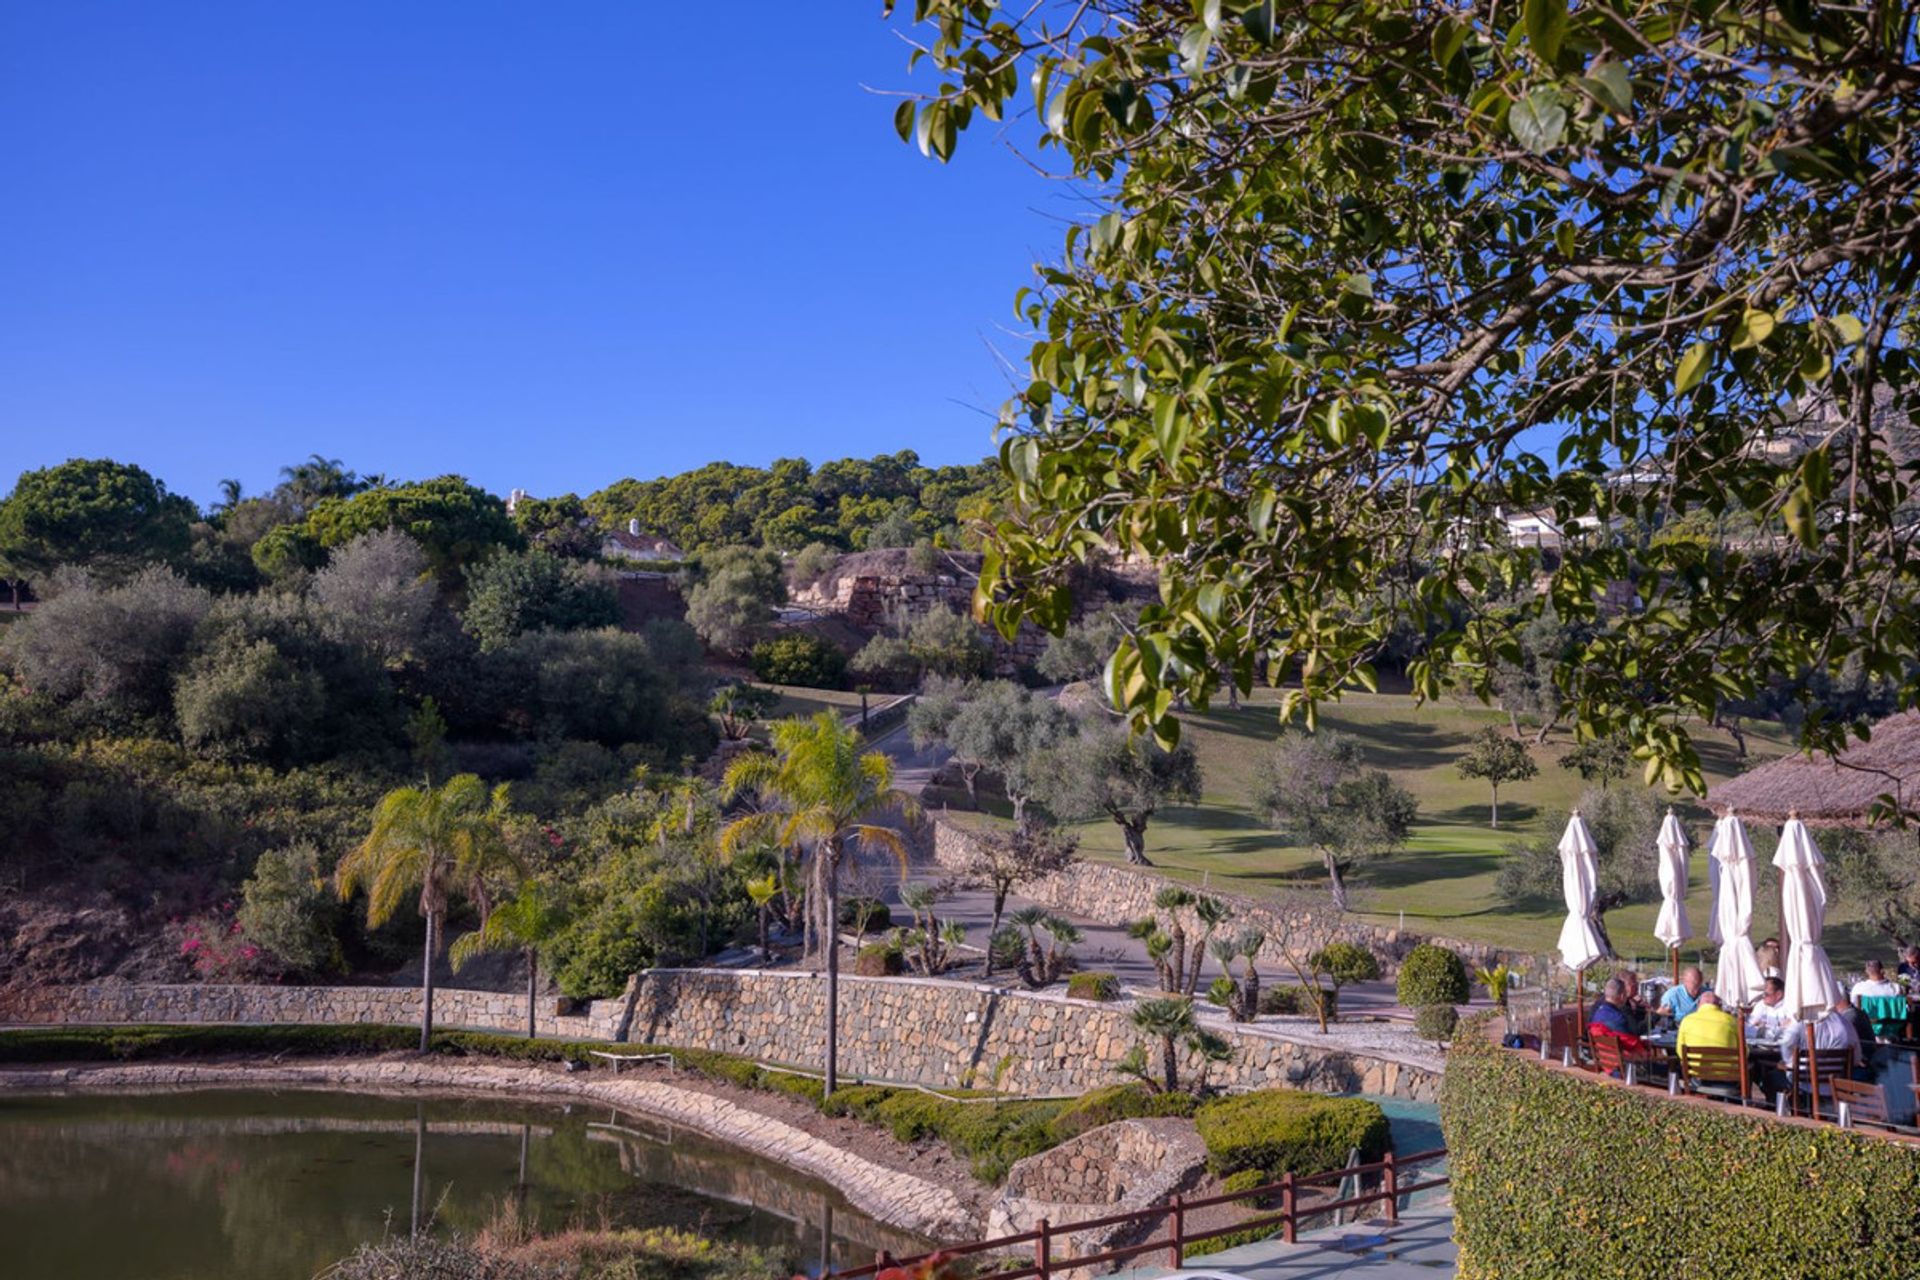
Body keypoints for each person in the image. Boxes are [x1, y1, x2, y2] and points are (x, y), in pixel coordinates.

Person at [1778, 998, 1863, 1074]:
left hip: (1803, 1081)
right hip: (1838, 1085)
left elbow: (1787, 1044)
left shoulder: (1801, 1022)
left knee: (1773, 1076)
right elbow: (1856, 1059)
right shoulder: (1845, 1024)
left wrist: (1789, 1062)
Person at [1589, 977, 1646, 1052]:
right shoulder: (1619, 1019)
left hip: (1603, 1058)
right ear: (1622, 996)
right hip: (1626, 1060)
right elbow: (1632, 1041)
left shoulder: (1597, 1013)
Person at [1675, 991, 1740, 1056]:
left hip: (1694, 1065)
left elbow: (1680, 1051)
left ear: (1699, 1004)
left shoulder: (1687, 1020)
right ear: (1720, 1005)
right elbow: (1744, 1051)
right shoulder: (1732, 1021)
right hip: (1728, 1065)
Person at [1747, 976, 1795, 1041]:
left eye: (1766, 994)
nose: (1763, 996)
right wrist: (1778, 1027)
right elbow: (1749, 1028)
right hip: (1760, 1048)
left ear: (1779, 994)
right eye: (1763, 993)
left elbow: (1792, 1031)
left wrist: (1763, 1028)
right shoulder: (1761, 1005)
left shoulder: (1790, 1005)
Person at [1613, 967, 1650, 1035]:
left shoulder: (1625, 1001)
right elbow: (1637, 1030)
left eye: (1637, 984)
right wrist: (1656, 1014)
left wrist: (1640, 1006)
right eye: (1633, 985)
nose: (1637, 987)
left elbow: (1637, 1024)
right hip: (1621, 1044)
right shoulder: (1620, 1005)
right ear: (1623, 986)